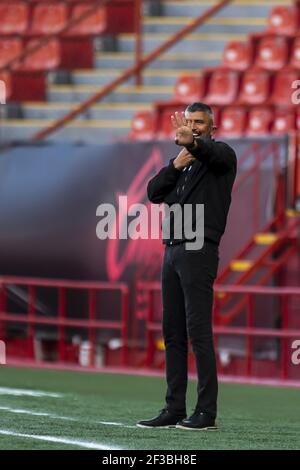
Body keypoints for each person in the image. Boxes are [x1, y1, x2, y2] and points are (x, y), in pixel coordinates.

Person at [137, 102, 237, 430]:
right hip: (172, 250)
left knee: (198, 332)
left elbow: (214, 155)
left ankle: (206, 412)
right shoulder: (183, 165)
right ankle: (174, 407)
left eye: (199, 123)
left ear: (212, 128)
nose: (193, 126)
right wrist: (175, 164)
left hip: (198, 250)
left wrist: (192, 145)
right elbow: (153, 192)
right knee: (173, 333)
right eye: (189, 121)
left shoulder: (221, 157)